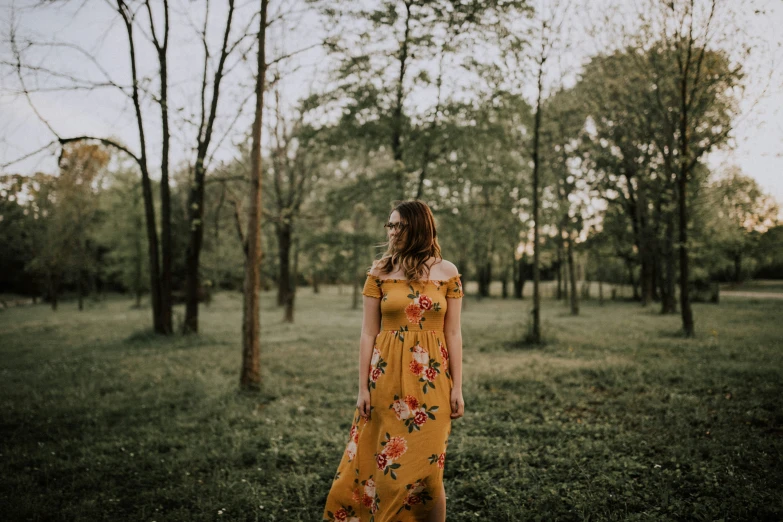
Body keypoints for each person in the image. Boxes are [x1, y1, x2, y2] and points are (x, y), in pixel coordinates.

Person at [322, 200, 465, 522]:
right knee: (386, 468)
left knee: (429, 472)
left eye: (399, 225)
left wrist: (457, 387)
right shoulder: (380, 272)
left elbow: (453, 333)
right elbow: (367, 333)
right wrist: (362, 389)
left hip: (433, 383)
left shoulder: (447, 272)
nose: (393, 231)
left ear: (419, 227)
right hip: (386, 381)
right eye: (390, 225)